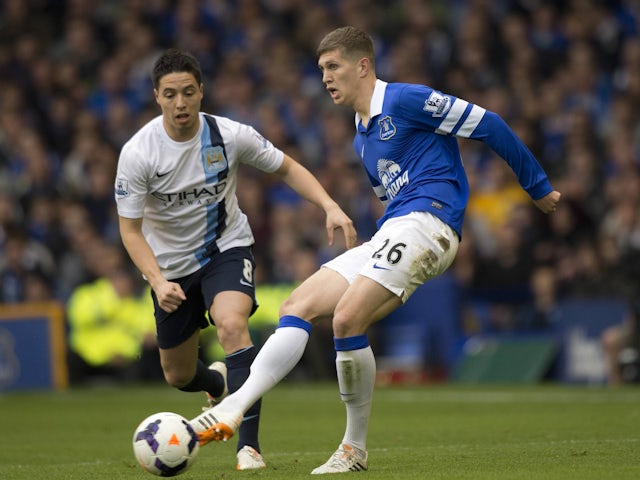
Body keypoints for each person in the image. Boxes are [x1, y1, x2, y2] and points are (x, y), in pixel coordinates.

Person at [191, 26, 561, 474]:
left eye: (333, 67)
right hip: (394, 231)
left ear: (362, 65)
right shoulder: (360, 135)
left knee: (347, 317)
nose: (325, 78)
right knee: (299, 304)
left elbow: (490, 125)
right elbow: (392, 199)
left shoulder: (406, 100)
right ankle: (236, 406)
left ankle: (349, 448)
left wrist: (536, 185)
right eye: (321, 69)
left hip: (431, 222)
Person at [114, 48, 356, 471]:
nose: (180, 103)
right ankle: (218, 382)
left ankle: (249, 448)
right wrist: (156, 280)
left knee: (231, 324)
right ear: (156, 96)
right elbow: (130, 231)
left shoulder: (229, 135)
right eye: (170, 94)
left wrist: (329, 205)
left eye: (188, 92)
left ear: (202, 92)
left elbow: (286, 168)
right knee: (178, 375)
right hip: (169, 270)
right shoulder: (138, 154)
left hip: (225, 249)